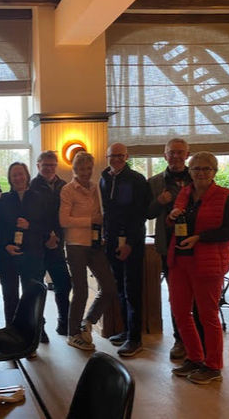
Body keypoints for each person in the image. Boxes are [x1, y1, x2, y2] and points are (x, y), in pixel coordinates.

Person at [167, 152, 229, 384]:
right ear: (190, 171)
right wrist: (172, 216)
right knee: (179, 311)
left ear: (214, 171)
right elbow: (174, 223)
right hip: (180, 260)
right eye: (196, 168)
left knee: (207, 315)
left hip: (207, 262)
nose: (201, 173)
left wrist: (200, 238)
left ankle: (213, 366)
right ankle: (195, 357)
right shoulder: (185, 193)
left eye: (206, 168)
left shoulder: (224, 195)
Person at [147, 138, 204, 360]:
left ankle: (199, 341)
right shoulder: (154, 182)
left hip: (197, 245)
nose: (176, 156)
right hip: (169, 247)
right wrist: (160, 201)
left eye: (180, 152)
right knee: (176, 296)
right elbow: (147, 213)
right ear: (165, 155)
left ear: (187, 154)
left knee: (199, 296)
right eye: (172, 152)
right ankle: (180, 340)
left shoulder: (199, 178)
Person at [60, 152, 117, 351]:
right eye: (81, 169)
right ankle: (73, 333)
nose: (85, 172)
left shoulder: (95, 187)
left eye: (88, 168)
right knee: (81, 291)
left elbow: (101, 214)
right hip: (75, 244)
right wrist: (90, 221)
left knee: (109, 287)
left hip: (95, 244)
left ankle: (88, 321)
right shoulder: (68, 190)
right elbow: (64, 220)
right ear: (74, 170)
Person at [100, 142, 151, 357]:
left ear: (127, 157)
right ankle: (126, 331)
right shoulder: (104, 178)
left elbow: (140, 215)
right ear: (107, 157)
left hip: (132, 243)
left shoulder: (137, 180)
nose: (116, 159)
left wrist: (130, 243)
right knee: (120, 288)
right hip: (112, 242)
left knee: (132, 290)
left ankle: (135, 338)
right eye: (113, 155)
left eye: (120, 155)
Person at [0, 162, 47, 332]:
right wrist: (6, 245)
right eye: (14, 175)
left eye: (20, 174)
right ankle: (11, 331)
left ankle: (35, 330)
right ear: (10, 179)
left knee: (31, 294)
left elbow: (46, 227)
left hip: (32, 253)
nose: (18, 178)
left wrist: (29, 226)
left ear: (27, 175)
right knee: (10, 295)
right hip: (8, 255)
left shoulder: (39, 198)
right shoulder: (3, 200)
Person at [30, 151, 72, 340]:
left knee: (64, 283)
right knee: (38, 288)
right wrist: (47, 236)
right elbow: (34, 217)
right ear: (38, 166)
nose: (49, 168)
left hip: (57, 245)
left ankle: (64, 323)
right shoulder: (32, 186)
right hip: (38, 245)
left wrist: (57, 237)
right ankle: (39, 327)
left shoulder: (64, 186)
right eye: (45, 165)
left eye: (52, 165)